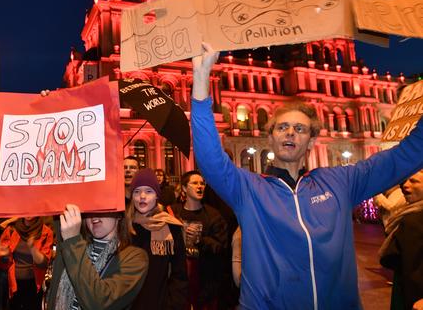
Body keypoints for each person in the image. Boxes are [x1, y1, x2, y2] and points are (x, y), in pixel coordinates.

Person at [191, 43, 423, 309]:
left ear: (312, 141)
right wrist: (200, 86)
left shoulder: (340, 182)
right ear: (271, 137)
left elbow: (405, 155)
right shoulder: (250, 190)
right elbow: (210, 158)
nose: (290, 132)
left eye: (300, 128)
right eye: (283, 127)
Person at [46, 204, 149, 309]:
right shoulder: (70, 245)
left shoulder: (135, 258)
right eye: (89, 210)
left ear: (118, 214)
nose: (94, 215)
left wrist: (73, 241)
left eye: (101, 208)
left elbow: (99, 303)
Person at [128, 168, 188, 309]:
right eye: (137, 191)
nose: (142, 196)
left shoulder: (172, 227)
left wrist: (173, 304)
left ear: (157, 196)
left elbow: (179, 274)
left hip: (160, 303)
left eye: (149, 191)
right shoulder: (126, 226)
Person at [169, 171, 228, 310]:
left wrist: (199, 240)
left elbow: (221, 247)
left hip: (205, 282)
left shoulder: (213, 215)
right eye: (194, 183)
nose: (199, 186)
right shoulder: (173, 213)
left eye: (202, 183)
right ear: (184, 188)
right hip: (179, 282)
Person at [380, 170, 423, 310]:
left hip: (411, 294)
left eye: (414, 181)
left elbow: (412, 269)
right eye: (404, 180)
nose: (405, 185)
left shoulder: (413, 219)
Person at [0, 216, 54, 309]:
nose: (29, 213)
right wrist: (5, 255)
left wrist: (32, 248)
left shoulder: (45, 231)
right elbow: (2, 264)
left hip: (34, 284)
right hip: (14, 283)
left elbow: (43, 264)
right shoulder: (11, 230)